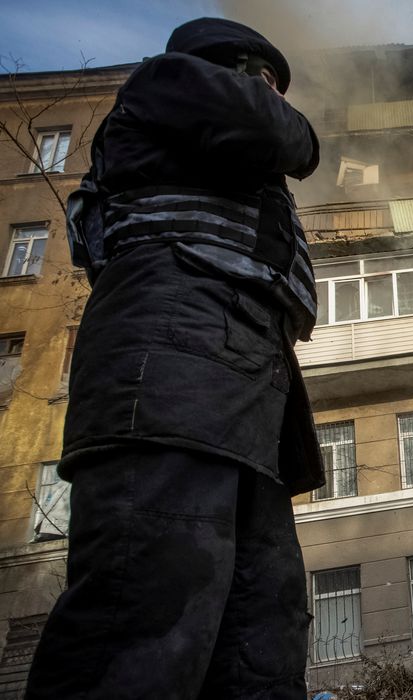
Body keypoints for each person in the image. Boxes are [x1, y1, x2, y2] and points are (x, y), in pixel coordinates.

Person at [26, 18, 322, 699]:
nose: (275, 95)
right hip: (170, 370)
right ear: (231, 68)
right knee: (146, 614)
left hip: (242, 387)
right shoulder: (166, 81)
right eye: (265, 81)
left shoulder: (209, 149)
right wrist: (277, 111)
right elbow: (288, 137)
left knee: (261, 631)